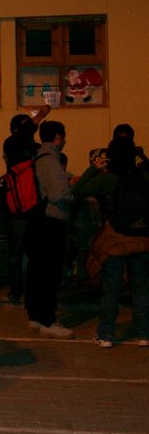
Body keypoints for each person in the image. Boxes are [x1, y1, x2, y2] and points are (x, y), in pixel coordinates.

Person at [73, 138, 149, 347]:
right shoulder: (142, 176)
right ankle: (143, 333)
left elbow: (78, 190)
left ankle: (106, 334)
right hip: (142, 239)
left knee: (111, 289)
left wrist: (94, 168)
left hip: (115, 240)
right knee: (141, 289)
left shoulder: (109, 179)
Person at [24, 120, 74, 338]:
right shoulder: (51, 162)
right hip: (51, 222)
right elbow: (59, 195)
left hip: (36, 221)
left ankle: (35, 316)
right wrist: (73, 192)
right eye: (63, 136)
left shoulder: (36, 158)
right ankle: (48, 319)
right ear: (58, 137)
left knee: (36, 270)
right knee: (49, 273)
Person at [1, 105, 51, 302]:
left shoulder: (15, 144)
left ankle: (18, 289)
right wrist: (39, 117)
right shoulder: (25, 146)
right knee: (30, 249)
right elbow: (24, 134)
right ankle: (27, 287)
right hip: (27, 204)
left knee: (19, 250)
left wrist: (38, 118)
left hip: (20, 205)